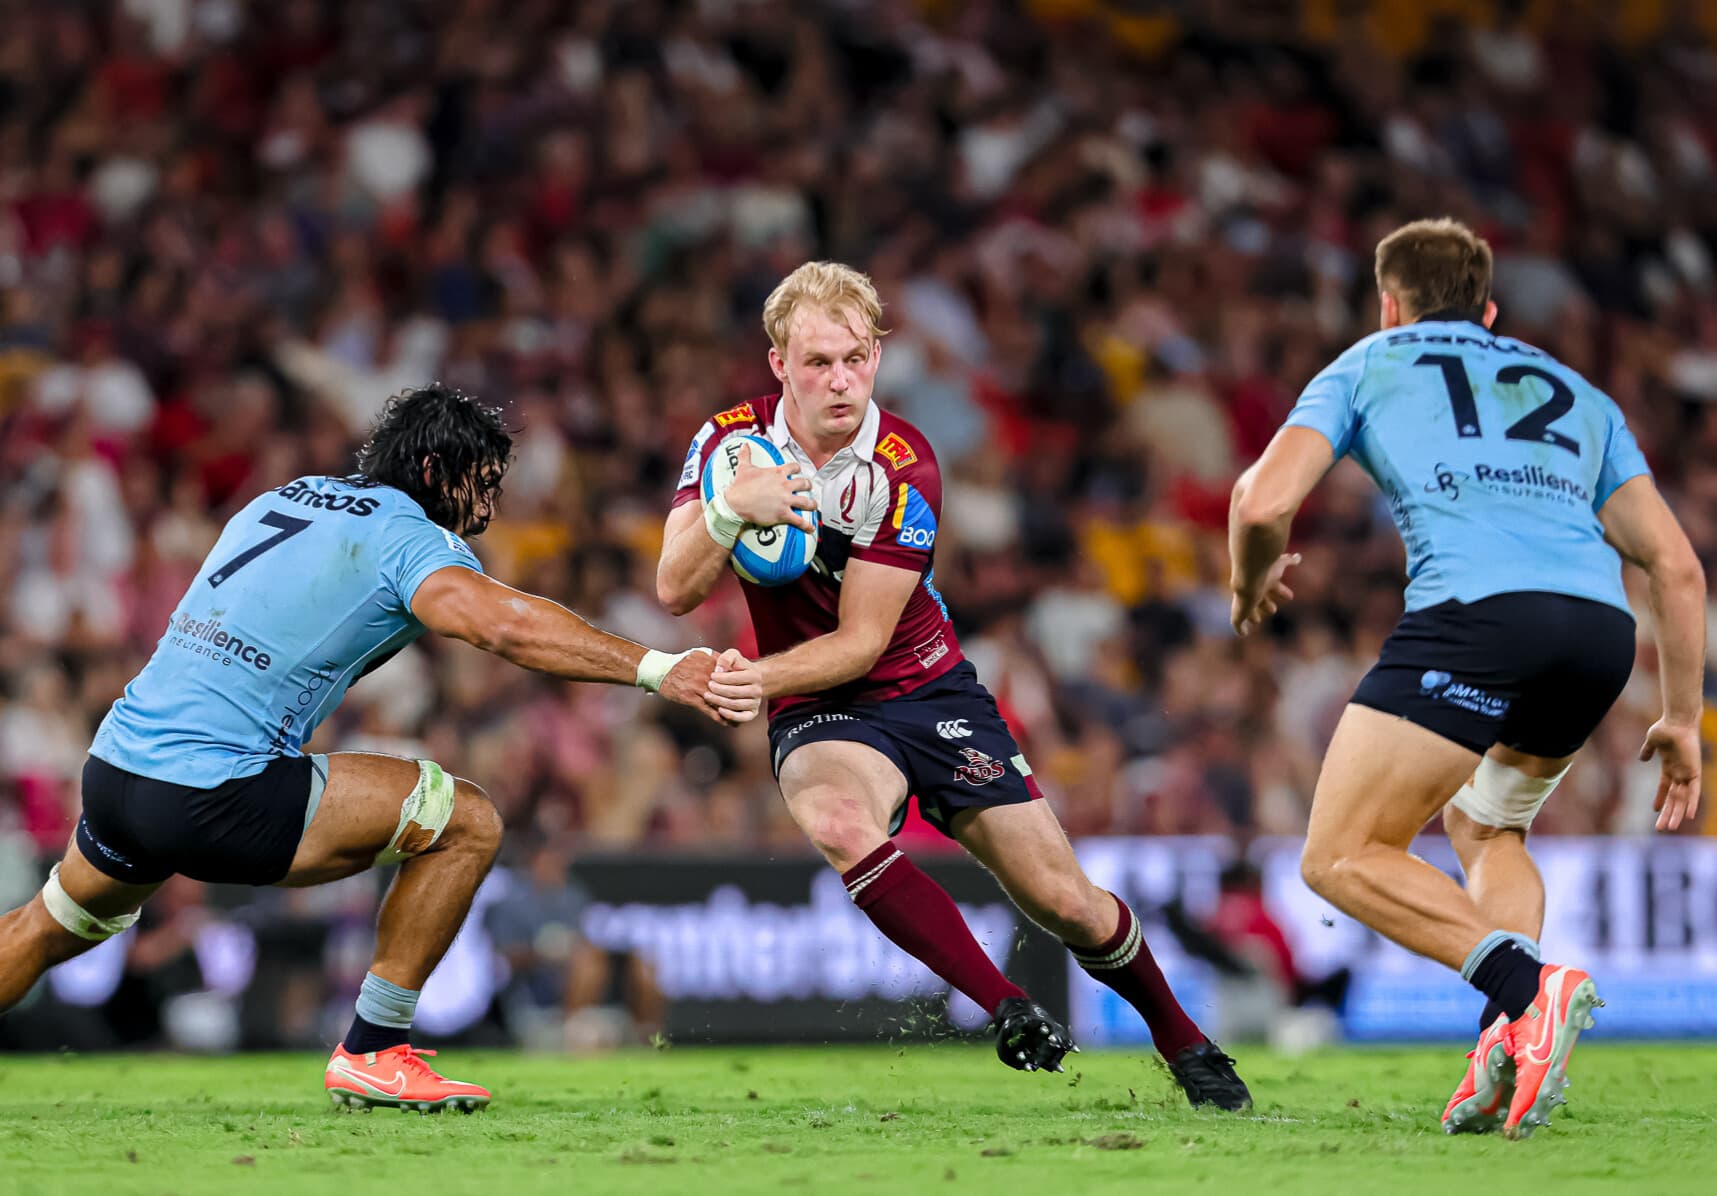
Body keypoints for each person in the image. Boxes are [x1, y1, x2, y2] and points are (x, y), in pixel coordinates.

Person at [0, 384, 762, 1111]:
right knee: (466, 820)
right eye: (481, 483)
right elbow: (498, 625)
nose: (489, 507)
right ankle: (373, 1050)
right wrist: (660, 669)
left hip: (118, 768)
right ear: (432, 472)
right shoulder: (405, 535)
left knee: (47, 923)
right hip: (214, 793)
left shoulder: (286, 496)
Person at [657, 261, 1250, 1108]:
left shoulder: (906, 463)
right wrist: (726, 511)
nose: (841, 380)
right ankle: (1007, 1007)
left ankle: (1184, 1040)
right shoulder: (726, 445)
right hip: (819, 707)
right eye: (818, 361)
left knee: (1067, 902)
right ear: (777, 363)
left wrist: (750, 677)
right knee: (836, 819)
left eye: (856, 358)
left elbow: (861, 643)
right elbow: (674, 590)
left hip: (925, 690)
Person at [1228, 218, 1705, 1138]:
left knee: (1337, 855)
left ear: (1388, 302)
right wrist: (1681, 718)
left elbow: (1261, 500)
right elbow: (1676, 568)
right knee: (1486, 825)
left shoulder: (1370, 361)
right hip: (1598, 632)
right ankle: (1501, 1047)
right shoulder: (1578, 394)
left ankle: (1529, 993)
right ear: (1487, 311)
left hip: (1477, 619)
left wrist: (1250, 586)